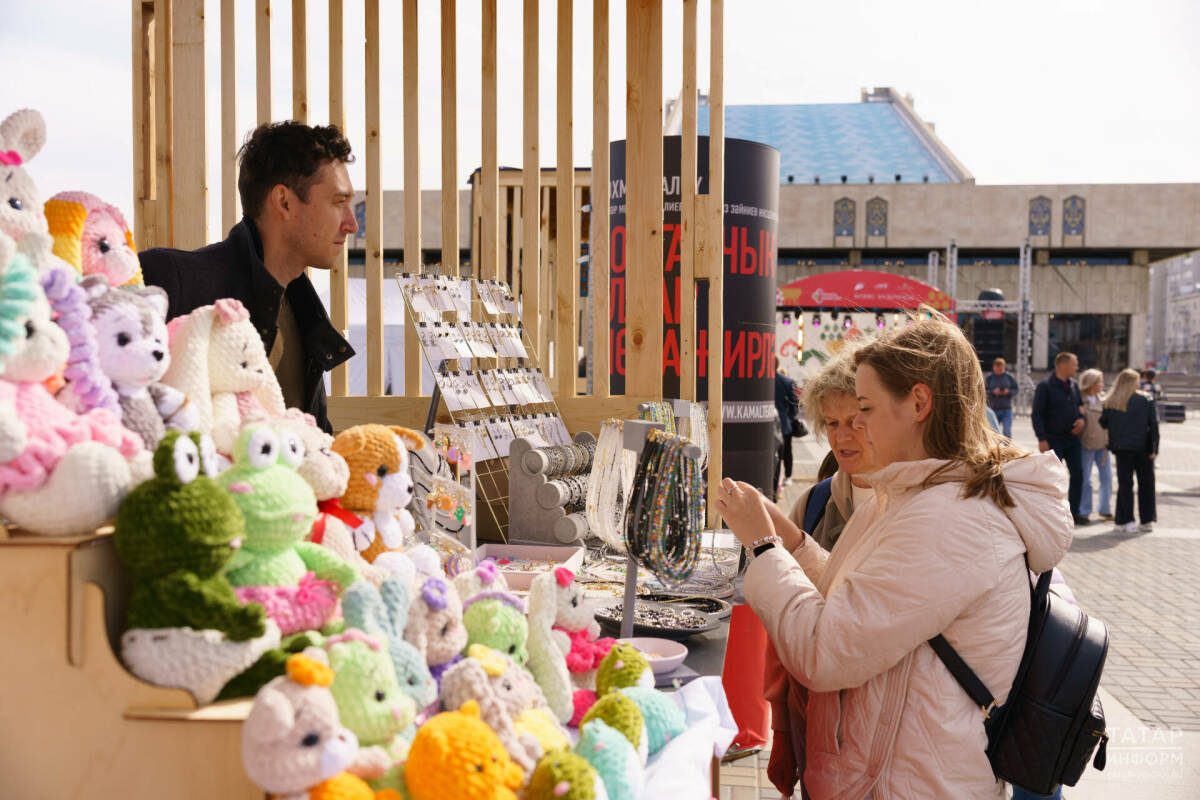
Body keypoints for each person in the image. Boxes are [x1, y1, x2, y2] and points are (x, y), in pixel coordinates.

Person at [716, 313, 1072, 799]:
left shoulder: (951, 520)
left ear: (919, 403)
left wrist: (763, 548)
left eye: (865, 407)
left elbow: (826, 651)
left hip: (907, 784)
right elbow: (859, 600)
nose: (856, 425)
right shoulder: (917, 496)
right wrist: (795, 546)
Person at [139, 121, 358, 432]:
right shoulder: (171, 281)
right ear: (284, 201)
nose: (351, 224)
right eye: (339, 202)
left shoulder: (306, 316)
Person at [761, 349, 878, 798]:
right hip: (817, 721)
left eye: (856, 420)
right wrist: (784, 727)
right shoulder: (813, 503)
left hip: (886, 733)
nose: (843, 436)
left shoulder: (917, 506)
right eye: (832, 423)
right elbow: (781, 629)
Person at [1101, 368, 1159, 533]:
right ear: (1135, 382)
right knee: (1146, 484)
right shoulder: (1145, 399)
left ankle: (1124, 521)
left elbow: (1103, 422)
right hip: (1144, 448)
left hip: (1121, 448)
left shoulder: (1111, 401)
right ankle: (1146, 520)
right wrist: (1155, 447)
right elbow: (1153, 425)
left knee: (1125, 484)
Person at [1032, 351, 1087, 525]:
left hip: (1073, 440)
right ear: (1063, 365)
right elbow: (1037, 414)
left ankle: (1074, 513)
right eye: (1075, 363)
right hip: (1052, 439)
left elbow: (1081, 408)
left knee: (1078, 474)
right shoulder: (1045, 386)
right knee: (1051, 479)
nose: (1077, 367)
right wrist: (1042, 438)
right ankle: (1050, 515)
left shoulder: (1074, 385)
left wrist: (1082, 420)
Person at [1078, 369, 1113, 521]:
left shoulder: (1104, 399)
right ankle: (1084, 510)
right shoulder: (1080, 400)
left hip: (1103, 445)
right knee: (1086, 479)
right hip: (1085, 444)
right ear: (1091, 383)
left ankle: (1105, 509)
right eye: (1099, 381)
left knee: (1107, 477)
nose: (1102, 384)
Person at [774, 359, 800, 487]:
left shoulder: (762, 380)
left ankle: (775, 482)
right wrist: (789, 417)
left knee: (775, 455)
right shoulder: (786, 381)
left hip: (767, 425)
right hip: (784, 423)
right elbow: (795, 403)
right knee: (786, 452)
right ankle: (787, 477)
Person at [985, 357, 1019, 438]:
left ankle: (1008, 449)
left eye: (1001, 369)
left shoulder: (1009, 377)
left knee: (1007, 432)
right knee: (993, 433)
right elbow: (983, 391)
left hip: (1007, 409)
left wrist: (1008, 392)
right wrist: (993, 392)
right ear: (994, 367)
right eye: (997, 369)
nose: (999, 371)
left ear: (1004, 367)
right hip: (993, 410)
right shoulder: (989, 378)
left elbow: (1016, 389)